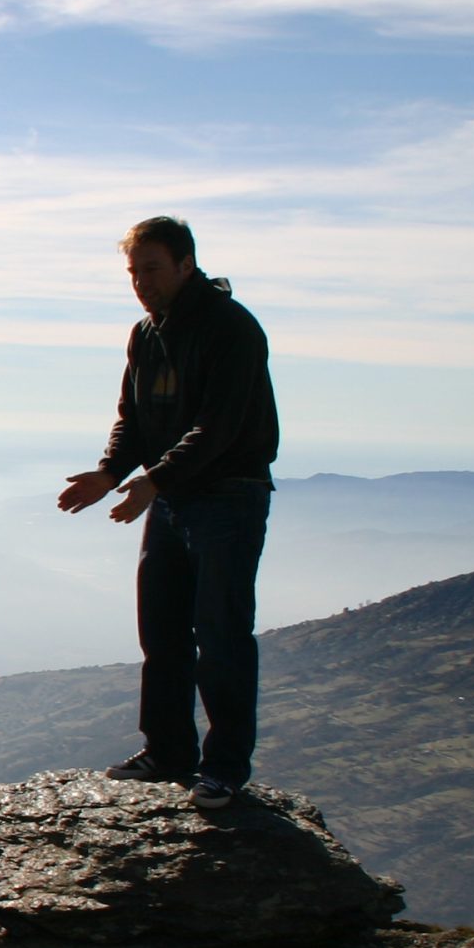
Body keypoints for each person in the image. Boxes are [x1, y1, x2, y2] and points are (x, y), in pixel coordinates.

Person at [57, 216, 279, 811]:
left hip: (228, 495)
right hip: (173, 494)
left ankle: (225, 768)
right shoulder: (146, 334)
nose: (141, 283)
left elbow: (220, 425)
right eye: (133, 272)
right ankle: (168, 752)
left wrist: (151, 479)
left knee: (221, 633)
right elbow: (133, 415)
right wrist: (110, 471)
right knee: (162, 628)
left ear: (187, 264)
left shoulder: (230, 329)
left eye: (152, 269)